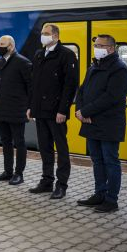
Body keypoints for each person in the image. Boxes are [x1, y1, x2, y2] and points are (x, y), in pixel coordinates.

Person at [75, 34, 127, 213]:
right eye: (95, 45)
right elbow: (82, 90)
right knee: (97, 160)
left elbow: (111, 97)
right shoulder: (94, 66)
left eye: (100, 45)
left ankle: (111, 200)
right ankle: (99, 193)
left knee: (110, 161)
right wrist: (81, 111)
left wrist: (86, 112)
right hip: (91, 122)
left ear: (111, 48)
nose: (96, 48)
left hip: (109, 123)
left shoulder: (119, 69)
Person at [28, 23, 78, 199]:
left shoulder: (67, 55)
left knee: (61, 149)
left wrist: (63, 110)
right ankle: (46, 181)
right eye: (42, 33)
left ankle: (62, 184)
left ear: (56, 36)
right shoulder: (39, 54)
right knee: (45, 148)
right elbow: (34, 84)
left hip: (57, 112)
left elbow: (70, 86)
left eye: (46, 33)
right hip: (40, 111)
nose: (43, 36)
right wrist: (30, 107)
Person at [0, 35, 32, 185]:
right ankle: (7, 171)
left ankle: (19, 173)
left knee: (19, 142)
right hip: (1, 109)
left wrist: (29, 107)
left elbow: (30, 87)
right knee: (5, 142)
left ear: (11, 46)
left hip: (16, 109)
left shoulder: (23, 62)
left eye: (2, 44)